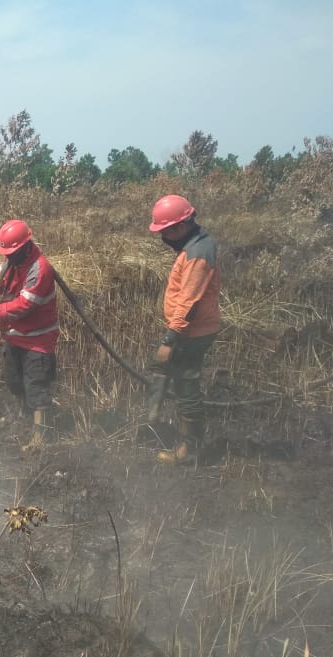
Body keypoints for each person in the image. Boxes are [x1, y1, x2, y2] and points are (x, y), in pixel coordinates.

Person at [148, 194, 220, 465]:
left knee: (187, 388)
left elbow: (189, 302)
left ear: (180, 226)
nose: (163, 236)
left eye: (165, 231)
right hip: (187, 331)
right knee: (169, 375)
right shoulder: (193, 246)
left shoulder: (198, 253)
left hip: (192, 332)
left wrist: (170, 338)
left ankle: (189, 451)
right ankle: (153, 418)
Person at [0, 219, 59, 448]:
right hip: (14, 336)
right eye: (6, 252)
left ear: (25, 246)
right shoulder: (10, 262)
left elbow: (26, 303)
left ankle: (40, 438)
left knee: (36, 387)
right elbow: (8, 287)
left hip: (37, 340)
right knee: (15, 381)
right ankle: (23, 419)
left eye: (11, 251)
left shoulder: (40, 268)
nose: (7, 256)